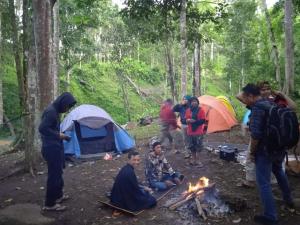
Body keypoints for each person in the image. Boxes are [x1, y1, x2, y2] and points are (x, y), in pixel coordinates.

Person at [238, 83, 294, 225]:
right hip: (279, 147)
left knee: (263, 183)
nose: (243, 101)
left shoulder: (257, 108)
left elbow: (256, 135)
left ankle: (270, 216)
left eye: (245, 98)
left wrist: (251, 153)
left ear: (251, 96)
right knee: (279, 172)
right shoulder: (271, 102)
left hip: (265, 150)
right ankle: (289, 200)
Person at [237, 81, 297, 188]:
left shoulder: (275, 101)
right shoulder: (255, 102)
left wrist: (281, 94)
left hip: (270, 139)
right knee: (251, 160)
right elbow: (239, 96)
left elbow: (293, 107)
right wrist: (251, 91)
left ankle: (272, 183)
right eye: (263, 89)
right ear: (258, 92)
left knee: (272, 165)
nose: (266, 91)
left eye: (268, 88)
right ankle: (251, 180)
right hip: (260, 136)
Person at [39, 92, 77, 211]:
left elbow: (51, 128)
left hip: (55, 147)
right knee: (54, 176)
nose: (66, 109)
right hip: (51, 149)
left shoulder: (55, 111)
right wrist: (59, 135)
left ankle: (58, 196)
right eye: (67, 106)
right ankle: (49, 204)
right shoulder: (51, 112)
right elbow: (42, 128)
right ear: (62, 102)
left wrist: (62, 137)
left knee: (58, 172)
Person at [185, 97, 206, 167]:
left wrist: (195, 121)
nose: (194, 102)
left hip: (198, 132)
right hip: (190, 132)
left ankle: (198, 161)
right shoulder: (188, 110)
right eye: (192, 101)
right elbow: (185, 119)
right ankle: (193, 160)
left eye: (195, 101)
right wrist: (187, 120)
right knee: (192, 147)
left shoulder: (201, 110)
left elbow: (203, 120)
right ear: (190, 103)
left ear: (197, 102)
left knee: (198, 147)